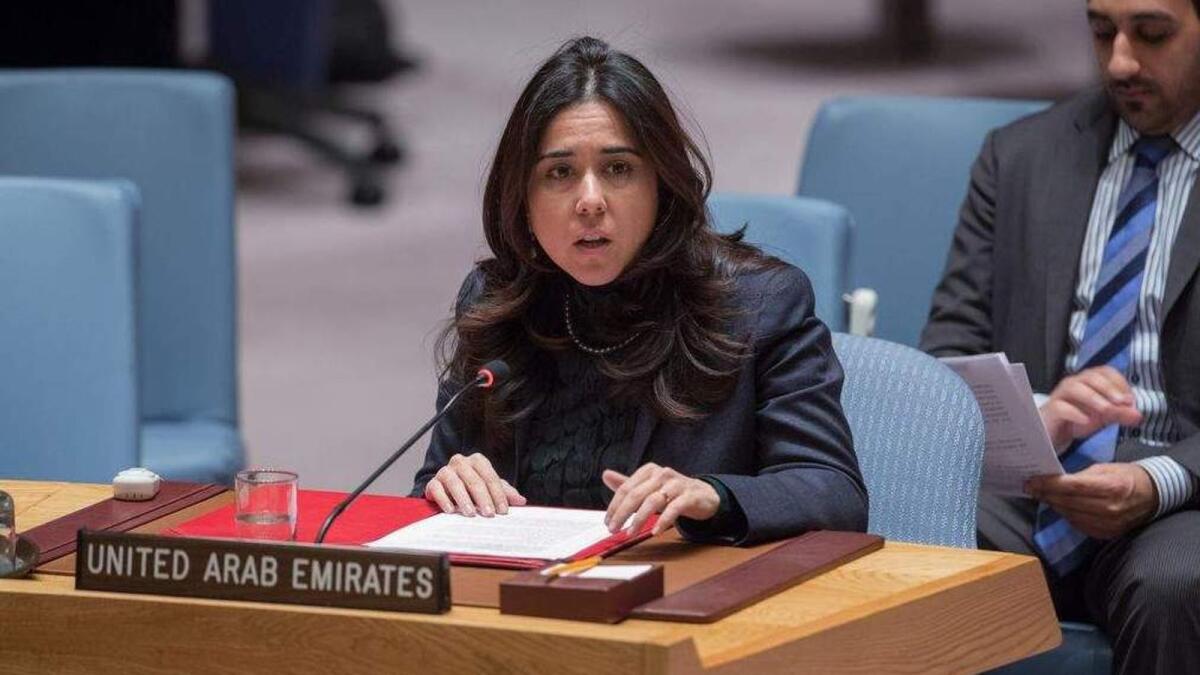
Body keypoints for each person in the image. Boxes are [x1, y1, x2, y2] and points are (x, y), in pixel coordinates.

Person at [410, 37, 867, 545]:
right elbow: (428, 492)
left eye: (618, 169)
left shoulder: (758, 304)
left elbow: (834, 491)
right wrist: (448, 484)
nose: (590, 201)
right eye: (560, 172)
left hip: (680, 588)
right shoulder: (496, 303)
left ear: (661, 184)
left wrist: (714, 497)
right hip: (519, 588)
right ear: (522, 196)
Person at [921, 0, 1200, 671]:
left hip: (1181, 493)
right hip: (1035, 482)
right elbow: (947, 355)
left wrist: (1158, 479)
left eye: (1152, 34)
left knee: (1173, 583)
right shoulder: (1020, 154)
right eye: (1102, 33)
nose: (1120, 61)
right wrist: (1039, 415)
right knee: (893, 534)